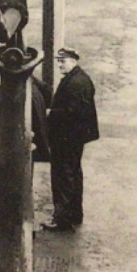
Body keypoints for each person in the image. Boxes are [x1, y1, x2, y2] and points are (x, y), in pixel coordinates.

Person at [43, 47, 99, 231]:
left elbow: (72, 112)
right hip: (75, 138)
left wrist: (51, 113)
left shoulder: (75, 83)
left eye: (63, 61)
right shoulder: (79, 78)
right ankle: (74, 213)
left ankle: (62, 220)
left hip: (67, 138)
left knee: (63, 178)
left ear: (74, 61)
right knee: (73, 174)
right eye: (58, 61)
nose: (60, 65)